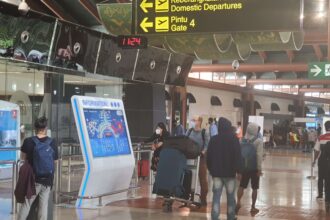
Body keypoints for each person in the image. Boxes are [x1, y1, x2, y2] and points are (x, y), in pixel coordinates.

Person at [17, 117, 58, 220]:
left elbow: (23, 158)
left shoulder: (28, 141)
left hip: (33, 179)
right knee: (43, 206)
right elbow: (55, 161)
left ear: (35, 128)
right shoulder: (52, 142)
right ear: (46, 128)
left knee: (26, 204)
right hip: (47, 180)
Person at [207, 117, 242, 220]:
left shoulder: (214, 139)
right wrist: (239, 171)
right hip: (230, 174)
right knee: (231, 198)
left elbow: (209, 157)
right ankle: (231, 217)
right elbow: (238, 156)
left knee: (216, 197)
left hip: (217, 174)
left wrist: (211, 169)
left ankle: (214, 217)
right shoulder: (234, 139)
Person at [236, 122, 264, 214]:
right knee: (255, 188)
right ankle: (253, 207)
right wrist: (259, 169)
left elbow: (238, 156)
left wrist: (238, 170)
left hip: (244, 168)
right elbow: (259, 156)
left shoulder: (241, 140)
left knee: (241, 186)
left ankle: (238, 202)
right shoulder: (258, 141)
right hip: (254, 168)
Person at [186, 116, 210, 206]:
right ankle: (189, 197)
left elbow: (207, 144)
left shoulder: (204, 132)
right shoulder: (189, 131)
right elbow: (184, 141)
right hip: (189, 157)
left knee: (202, 178)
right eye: (192, 120)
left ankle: (203, 198)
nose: (193, 122)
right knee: (189, 177)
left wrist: (203, 152)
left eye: (194, 120)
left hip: (201, 158)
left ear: (199, 121)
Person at [313, 121, 330, 208]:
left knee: (321, 178)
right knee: (329, 179)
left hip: (322, 161)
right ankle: (328, 197)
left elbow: (316, 150)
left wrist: (314, 160)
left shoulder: (321, 137)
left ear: (325, 127)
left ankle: (320, 195)